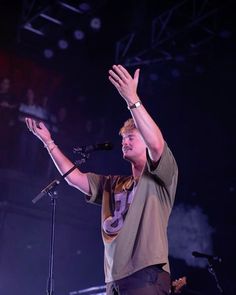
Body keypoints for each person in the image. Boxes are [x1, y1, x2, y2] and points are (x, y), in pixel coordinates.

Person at [25, 64, 178, 295]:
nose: (125, 142)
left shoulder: (160, 177)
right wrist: (49, 143)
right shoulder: (113, 184)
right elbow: (74, 178)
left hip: (146, 274)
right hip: (113, 279)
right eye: (123, 139)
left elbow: (157, 143)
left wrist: (132, 99)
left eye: (131, 138)